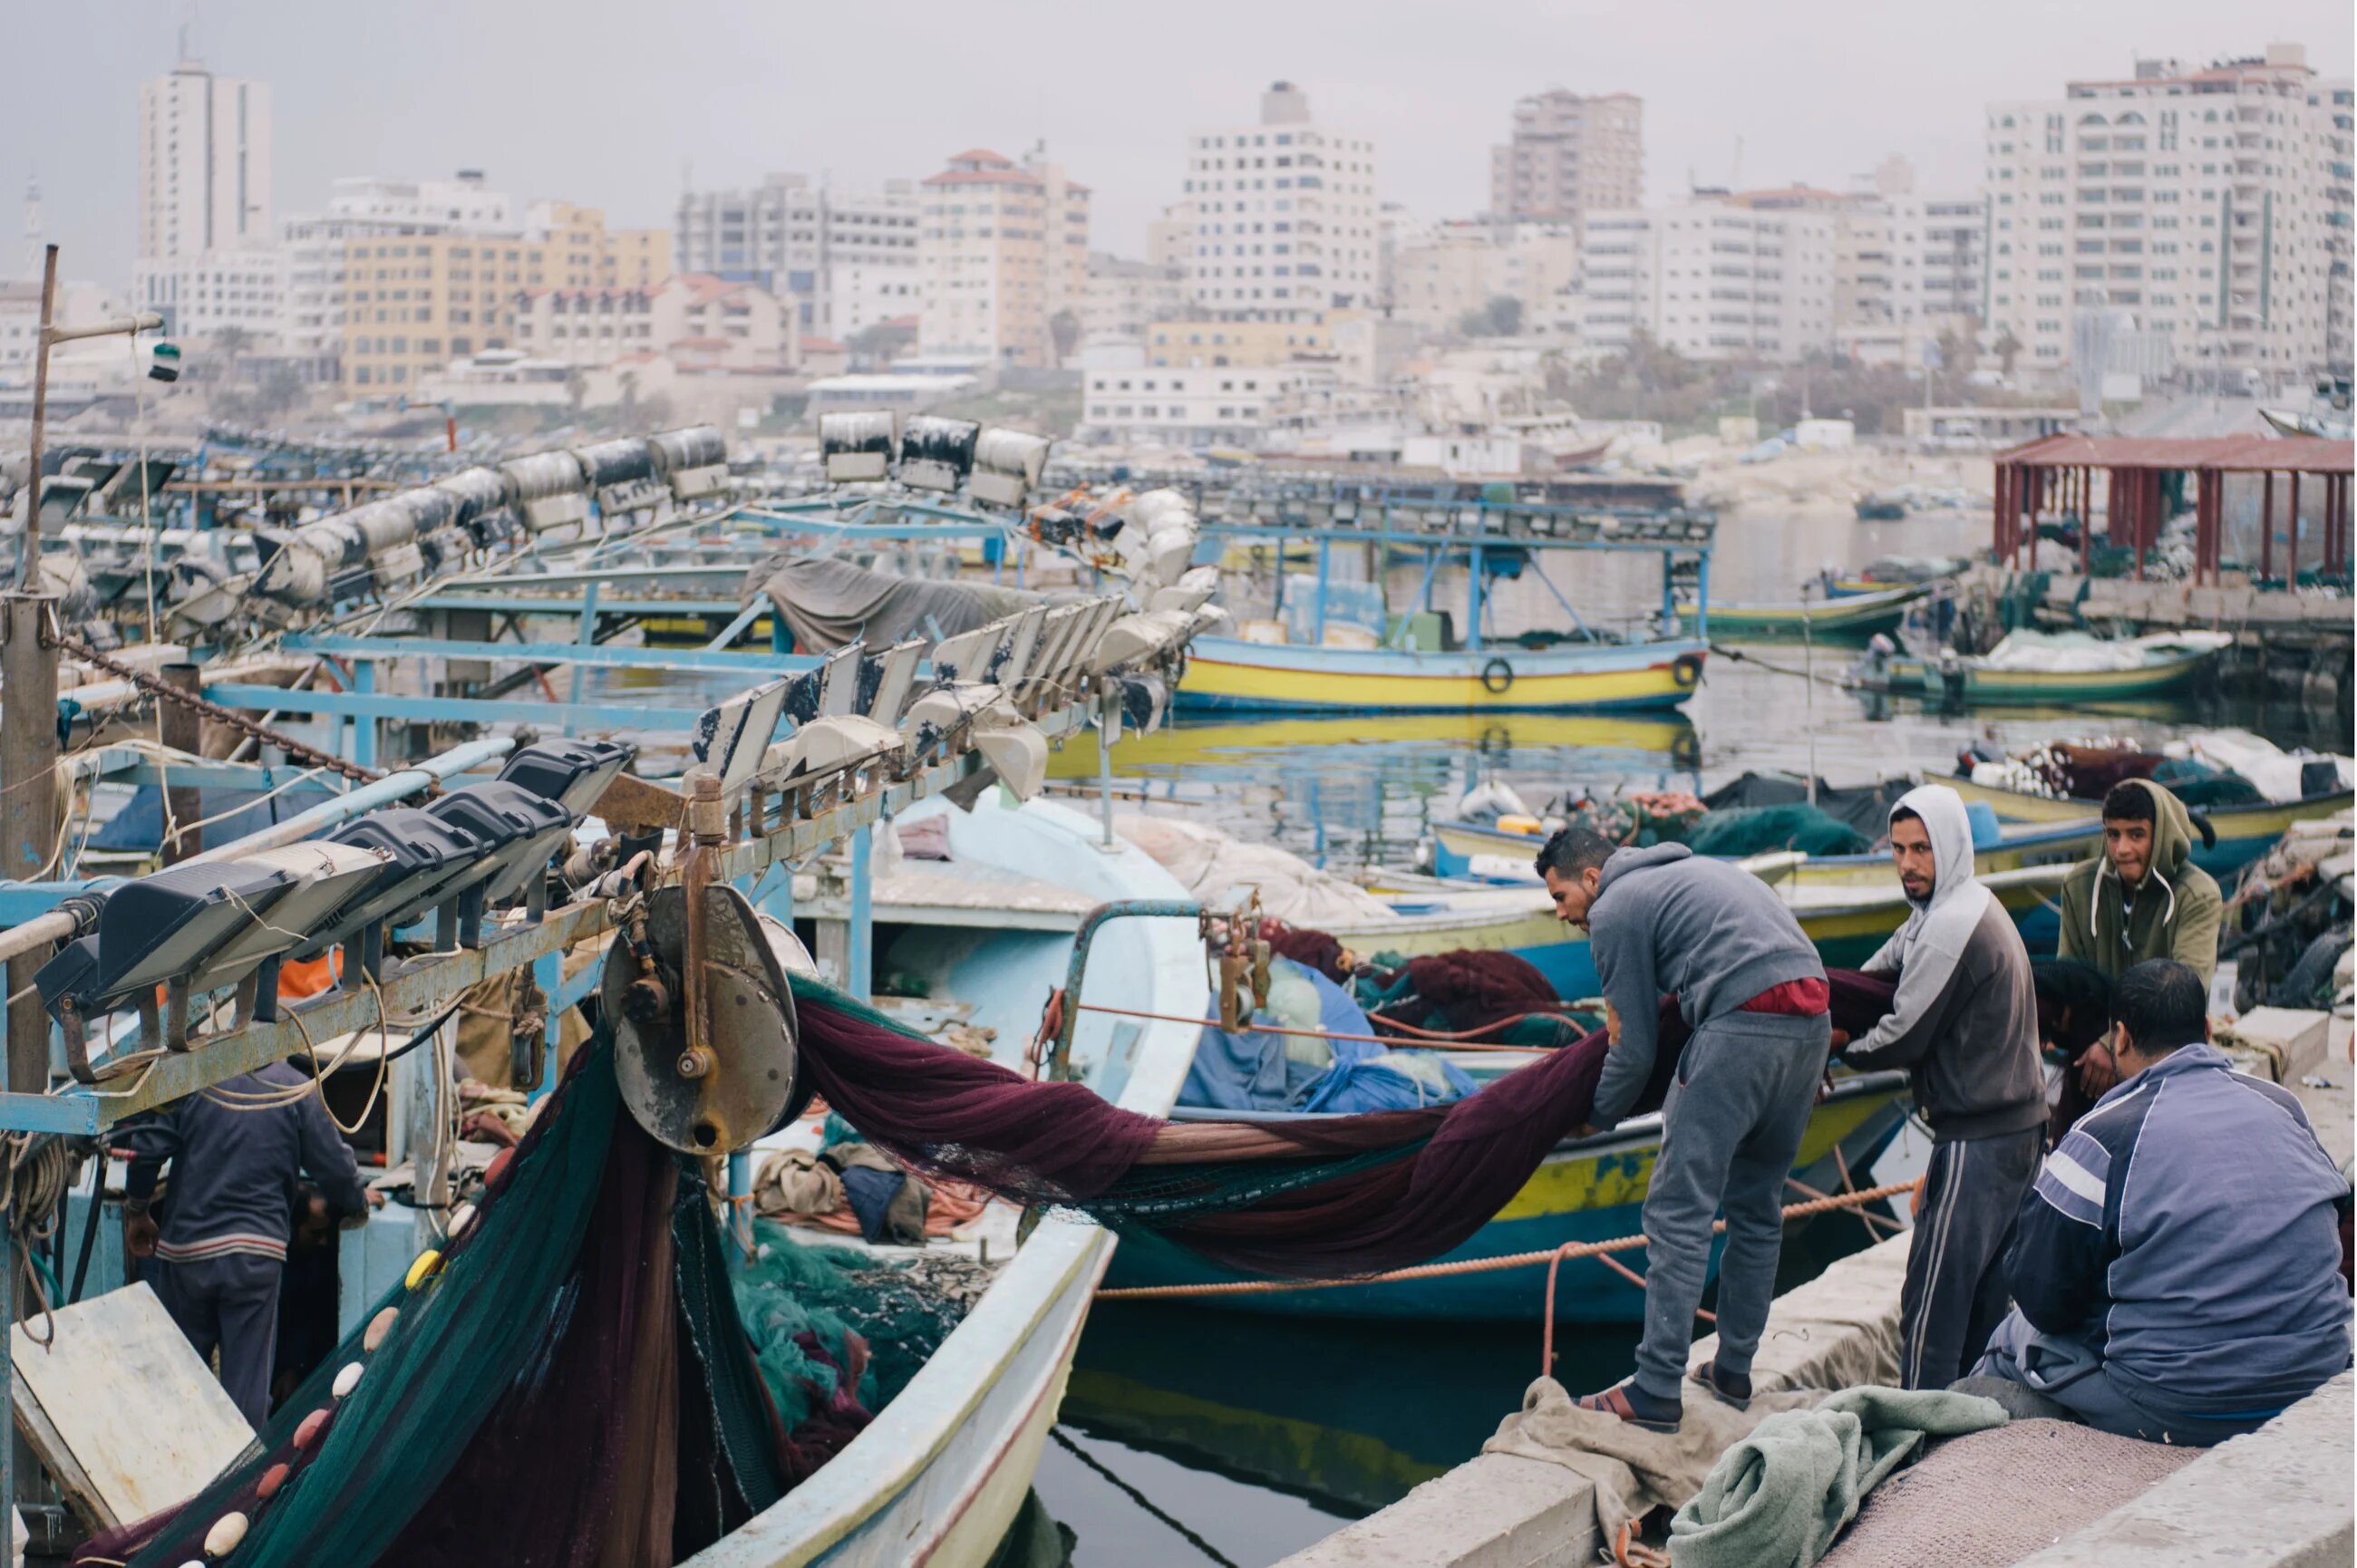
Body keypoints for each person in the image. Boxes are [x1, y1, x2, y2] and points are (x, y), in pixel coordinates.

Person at [1974, 959, 2352, 1446]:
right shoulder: (2283, 1106)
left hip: (2182, 1403)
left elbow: (2042, 1295)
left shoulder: (2105, 1134)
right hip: (2312, 1378)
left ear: (2122, 1038)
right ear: (2209, 1030)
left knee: (2015, 1338)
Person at [1537, 828, 1829, 1432]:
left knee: (1677, 1211)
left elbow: (1635, 1048)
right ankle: (1733, 1372)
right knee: (1756, 1208)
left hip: (1741, 1026)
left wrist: (1595, 1117)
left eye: (1561, 896)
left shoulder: (1615, 908)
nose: (1561, 913)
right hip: (1812, 1025)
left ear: (1592, 879)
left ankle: (1655, 1389)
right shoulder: (1697, 871)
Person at [1833, 786, 2046, 1389]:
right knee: (1982, 1297)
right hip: (2018, 1129)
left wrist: (1838, 1048)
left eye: (1921, 849)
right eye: (1898, 849)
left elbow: (1904, 1034)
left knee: (1933, 1300)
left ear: (1949, 846)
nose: (1907, 864)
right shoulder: (1955, 905)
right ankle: (1969, 1430)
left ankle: (1916, 1433)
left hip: (1980, 1138)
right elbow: (1878, 974)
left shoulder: (1952, 925)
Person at [121, 1061, 374, 1428]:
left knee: (177, 1385)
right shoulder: (294, 1088)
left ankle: (177, 1479)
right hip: (255, 1257)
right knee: (246, 1396)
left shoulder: (194, 1074)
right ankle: (240, 1484)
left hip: (187, 1253)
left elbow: (147, 1146)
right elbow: (334, 1166)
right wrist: (359, 1199)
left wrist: (138, 1210)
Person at [2055, 779, 2222, 1099]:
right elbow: (2069, 976)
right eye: (2113, 834)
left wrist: (2111, 1046)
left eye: (2136, 834)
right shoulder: (2079, 885)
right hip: (2089, 1053)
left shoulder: (2197, 895)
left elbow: (2185, 994)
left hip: (2165, 1055)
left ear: (2160, 837)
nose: (2121, 849)